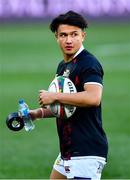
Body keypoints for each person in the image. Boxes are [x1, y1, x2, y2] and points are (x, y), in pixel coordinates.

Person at [30, 11, 108, 179]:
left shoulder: (88, 63)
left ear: (83, 36)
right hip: (69, 149)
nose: (69, 40)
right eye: (63, 35)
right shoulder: (63, 66)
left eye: (74, 34)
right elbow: (68, 107)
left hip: (86, 152)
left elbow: (93, 98)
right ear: (56, 37)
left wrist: (55, 96)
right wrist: (38, 113)